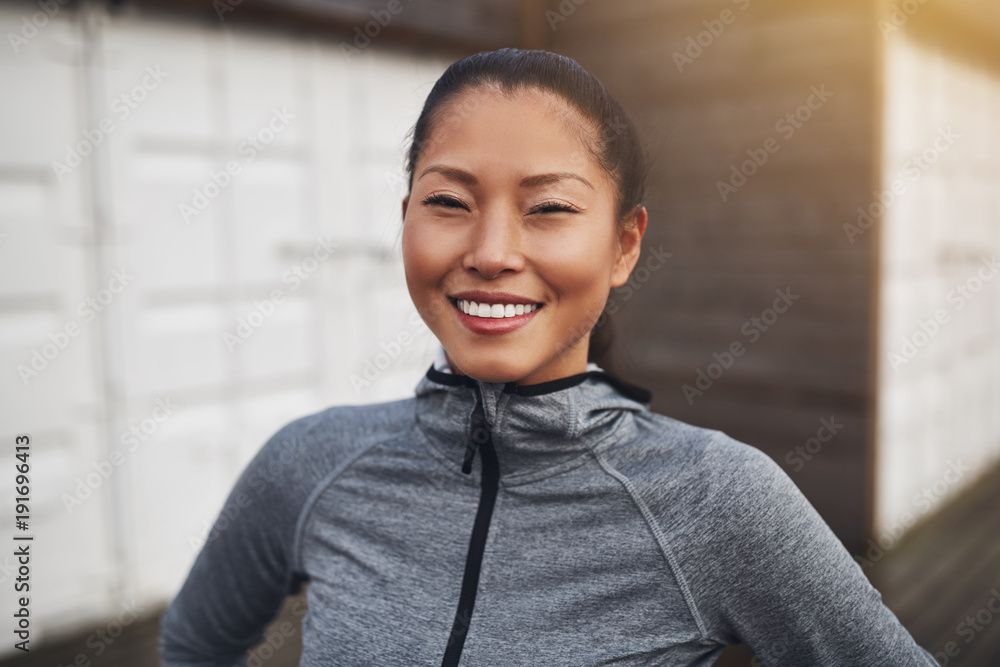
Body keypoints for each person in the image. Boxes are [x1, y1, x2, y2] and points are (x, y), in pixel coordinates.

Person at [158, 48, 938, 666]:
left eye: (550, 209)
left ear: (625, 244)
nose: (492, 252)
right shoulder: (311, 461)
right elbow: (195, 643)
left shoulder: (718, 500)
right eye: (449, 202)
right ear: (406, 221)